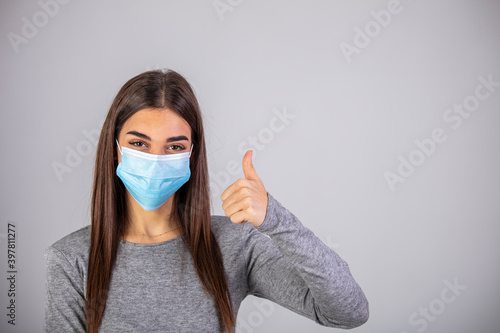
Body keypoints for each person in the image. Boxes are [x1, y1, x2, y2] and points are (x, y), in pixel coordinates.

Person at [44, 69, 369, 333]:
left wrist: (276, 219)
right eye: (139, 143)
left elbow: (348, 311)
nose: (156, 159)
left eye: (173, 146)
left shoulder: (232, 244)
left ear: (191, 154)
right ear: (115, 148)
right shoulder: (71, 259)